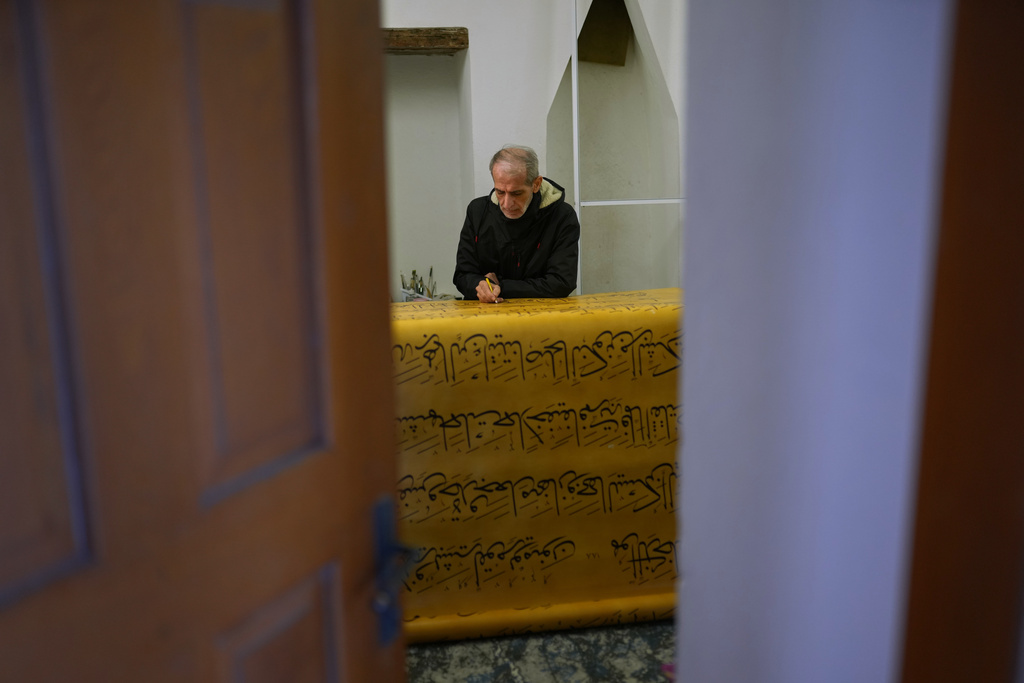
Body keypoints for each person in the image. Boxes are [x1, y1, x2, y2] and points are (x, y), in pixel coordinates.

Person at [453, 145, 580, 302]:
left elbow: (561, 283)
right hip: (485, 319)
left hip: (540, 319)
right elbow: (462, 275)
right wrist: (479, 285)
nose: (507, 204)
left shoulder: (562, 216)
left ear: (536, 184)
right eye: (500, 192)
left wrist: (501, 286)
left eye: (516, 193)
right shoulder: (477, 211)